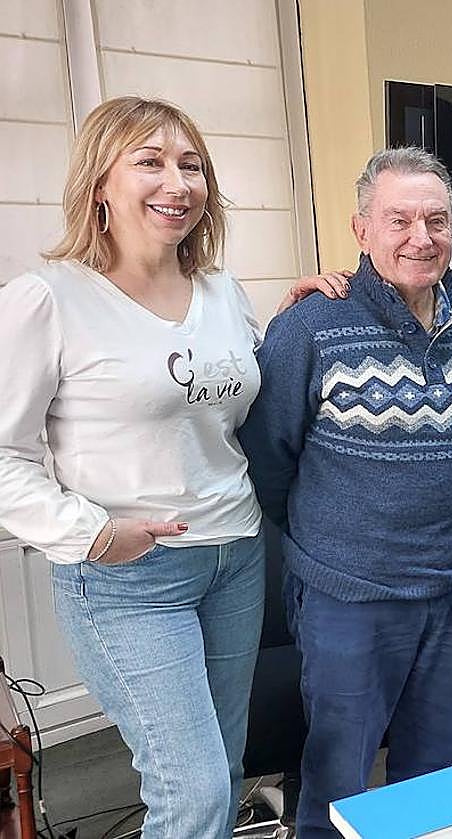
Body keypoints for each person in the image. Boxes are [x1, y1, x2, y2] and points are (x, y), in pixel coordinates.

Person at [0, 97, 267, 838]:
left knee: (226, 773)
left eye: (191, 165)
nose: (176, 182)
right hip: (129, 579)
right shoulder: (47, 298)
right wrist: (91, 534)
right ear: (100, 184)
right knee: (194, 793)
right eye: (149, 162)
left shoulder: (223, 292)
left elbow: (232, 414)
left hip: (235, 559)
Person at [238, 147, 452, 837]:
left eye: (437, 220)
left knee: (440, 786)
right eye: (399, 219)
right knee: (338, 785)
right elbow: (268, 458)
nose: (421, 236)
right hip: (349, 596)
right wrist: (331, 542)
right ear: (361, 229)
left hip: (450, 592)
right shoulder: (311, 325)